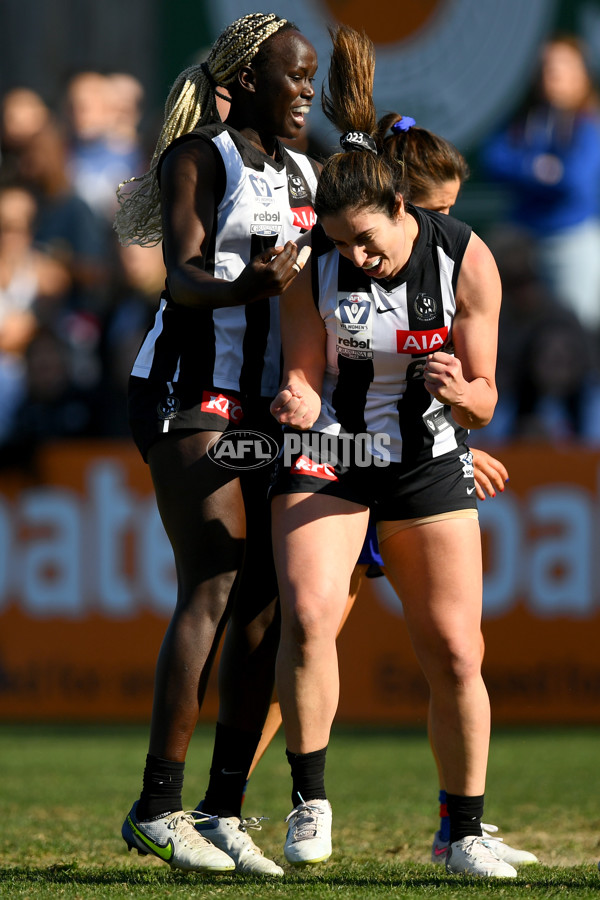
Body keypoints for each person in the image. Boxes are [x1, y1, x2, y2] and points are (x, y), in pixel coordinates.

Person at [243, 113, 534, 868]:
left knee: (455, 650)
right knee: (307, 617)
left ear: (404, 207)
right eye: (341, 243)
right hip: (334, 451)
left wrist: (464, 394)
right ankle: (308, 803)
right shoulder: (316, 266)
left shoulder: (467, 259)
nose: (357, 256)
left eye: (368, 238)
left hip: (426, 459)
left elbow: (486, 398)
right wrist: (299, 399)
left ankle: (462, 833)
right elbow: (303, 370)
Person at [113, 12, 319, 876]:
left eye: (311, 75)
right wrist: (249, 282)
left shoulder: (308, 171)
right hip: (187, 396)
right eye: (290, 74)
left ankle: (223, 807)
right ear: (245, 78)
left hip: (264, 409)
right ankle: (157, 806)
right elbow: (185, 273)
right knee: (218, 578)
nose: (305, 88)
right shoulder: (201, 155)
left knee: (268, 595)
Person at [481, 34, 600, 334]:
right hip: (524, 237)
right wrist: (536, 168)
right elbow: (492, 160)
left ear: (582, 74)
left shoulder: (589, 122)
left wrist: (526, 172)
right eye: (546, 66)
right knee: (498, 317)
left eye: (562, 66)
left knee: (573, 334)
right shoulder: (528, 118)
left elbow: (574, 182)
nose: (552, 73)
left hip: (571, 241)